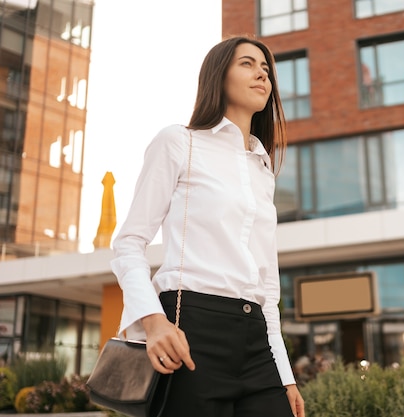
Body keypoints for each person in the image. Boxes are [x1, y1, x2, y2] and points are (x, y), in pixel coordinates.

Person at [110, 36, 305, 417]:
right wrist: (153, 322)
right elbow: (129, 243)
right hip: (191, 329)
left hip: (255, 339)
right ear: (219, 76)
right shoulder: (178, 142)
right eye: (247, 64)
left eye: (266, 69)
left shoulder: (261, 169)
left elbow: (266, 283)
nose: (262, 75)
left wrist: (284, 372)